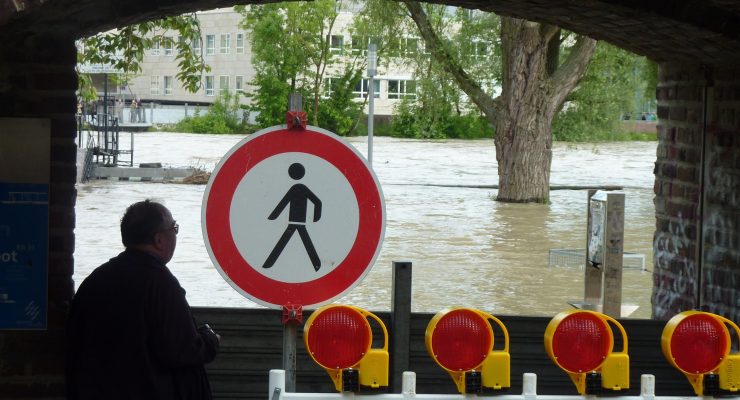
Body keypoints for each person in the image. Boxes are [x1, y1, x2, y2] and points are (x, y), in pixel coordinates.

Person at [66, 200, 220, 400]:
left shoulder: (95, 280)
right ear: (159, 240)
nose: (175, 234)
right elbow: (182, 350)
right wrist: (210, 341)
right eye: (174, 228)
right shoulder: (161, 283)